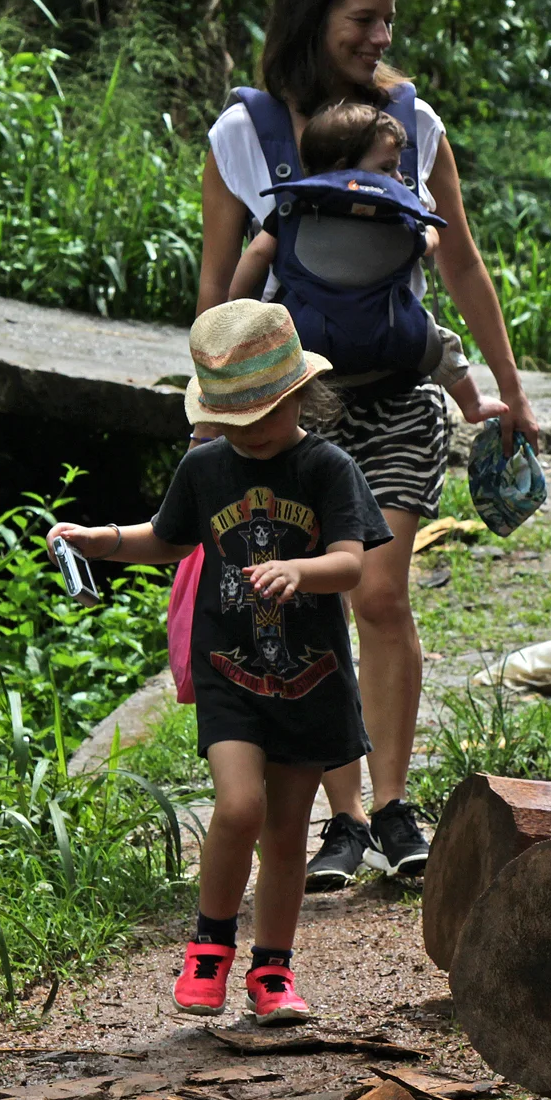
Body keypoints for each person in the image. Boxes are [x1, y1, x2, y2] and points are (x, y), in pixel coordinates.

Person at [196, 0, 542, 890]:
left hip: (396, 399)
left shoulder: (413, 124)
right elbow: (220, 285)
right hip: (289, 412)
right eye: (363, 20)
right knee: (308, 606)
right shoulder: (244, 136)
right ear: (313, 17)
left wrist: (507, 390)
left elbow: (460, 262)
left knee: (379, 593)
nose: (380, 35)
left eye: (386, 19)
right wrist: (216, 414)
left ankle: (393, 805)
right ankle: (342, 818)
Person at [49, 301, 392, 1022]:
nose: (247, 435)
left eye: (261, 417)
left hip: (312, 676)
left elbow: (352, 565)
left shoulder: (329, 467)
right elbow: (168, 539)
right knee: (238, 805)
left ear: (299, 395)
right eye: (232, 421)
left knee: (288, 830)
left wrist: (304, 572)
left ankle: (273, 970)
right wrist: (102, 540)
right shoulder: (205, 467)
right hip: (230, 671)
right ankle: (210, 947)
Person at [227, 101, 508, 427]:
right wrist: (430, 227)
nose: (398, 177)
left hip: (306, 341)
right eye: (388, 167)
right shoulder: (397, 218)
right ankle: (473, 404)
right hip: (396, 336)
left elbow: (257, 255)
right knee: (445, 345)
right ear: (345, 168)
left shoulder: (293, 213)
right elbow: (430, 244)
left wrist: (237, 312)